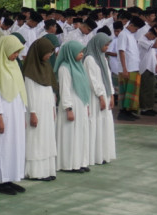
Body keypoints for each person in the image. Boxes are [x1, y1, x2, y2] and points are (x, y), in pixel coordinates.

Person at [0, 35, 28, 195]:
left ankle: (10, 178)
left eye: (18, 52)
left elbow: (21, 89)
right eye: (14, 51)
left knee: (14, 146)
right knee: (2, 146)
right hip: (2, 113)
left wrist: (23, 114)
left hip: (16, 111)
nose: (16, 55)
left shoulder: (14, 64)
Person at [23, 37, 58, 181]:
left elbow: (50, 89)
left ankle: (47, 170)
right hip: (36, 111)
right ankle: (35, 172)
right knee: (36, 140)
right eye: (48, 52)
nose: (50, 55)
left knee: (47, 139)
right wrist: (32, 113)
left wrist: (52, 108)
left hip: (47, 110)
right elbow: (29, 94)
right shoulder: (30, 71)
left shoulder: (47, 67)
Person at [55, 41, 91, 174]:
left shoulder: (79, 66)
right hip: (70, 105)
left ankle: (80, 162)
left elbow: (84, 87)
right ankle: (68, 164)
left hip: (80, 104)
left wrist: (86, 105)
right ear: (71, 53)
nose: (81, 54)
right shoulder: (64, 68)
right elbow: (65, 90)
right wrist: (68, 109)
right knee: (70, 135)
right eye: (79, 52)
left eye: (82, 52)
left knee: (80, 134)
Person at [84, 33, 116, 166]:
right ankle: (95, 155)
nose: (107, 47)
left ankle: (103, 154)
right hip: (95, 97)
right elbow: (93, 80)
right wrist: (101, 96)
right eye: (105, 45)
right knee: (96, 124)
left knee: (105, 125)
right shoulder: (89, 59)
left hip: (106, 95)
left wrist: (112, 94)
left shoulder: (103, 58)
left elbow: (108, 78)